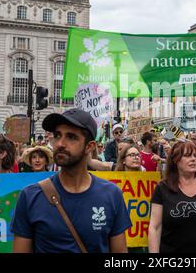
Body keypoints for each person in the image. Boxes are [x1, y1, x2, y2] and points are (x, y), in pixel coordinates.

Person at [11, 108, 131, 253]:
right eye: (57, 135)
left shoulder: (112, 195)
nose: (60, 143)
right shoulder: (30, 196)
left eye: (71, 137)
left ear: (89, 147)